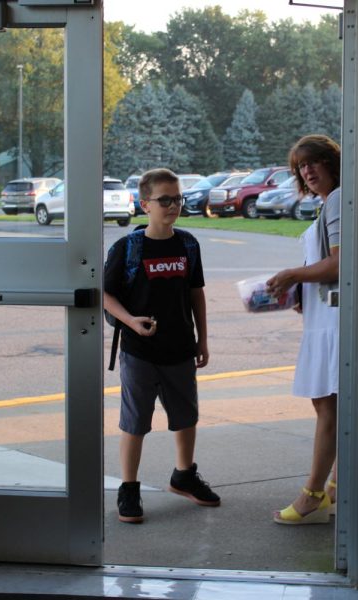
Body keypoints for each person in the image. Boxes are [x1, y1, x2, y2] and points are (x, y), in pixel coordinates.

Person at [103, 167, 220, 524]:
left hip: (181, 347)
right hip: (140, 352)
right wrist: (131, 321)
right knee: (135, 420)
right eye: (164, 200)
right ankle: (129, 487)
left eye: (177, 199)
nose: (173, 206)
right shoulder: (128, 247)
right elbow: (105, 295)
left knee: (186, 416)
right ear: (144, 204)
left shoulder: (187, 244)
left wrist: (202, 337)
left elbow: (196, 293)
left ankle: (183, 475)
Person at [266, 134, 341, 525]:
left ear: (331, 162)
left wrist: (295, 273)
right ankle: (334, 486)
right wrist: (300, 288)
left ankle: (313, 496)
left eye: (313, 162)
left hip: (333, 323)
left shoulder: (339, 201)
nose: (307, 171)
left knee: (327, 406)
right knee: (329, 406)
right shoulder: (330, 204)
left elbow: (340, 264)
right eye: (300, 167)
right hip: (322, 318)